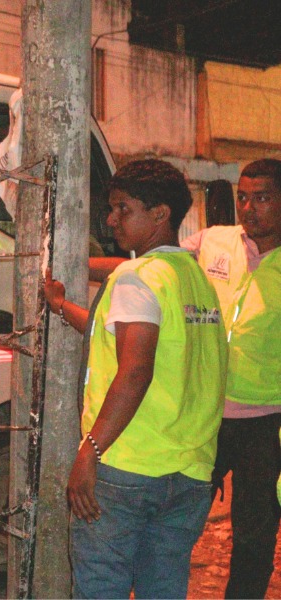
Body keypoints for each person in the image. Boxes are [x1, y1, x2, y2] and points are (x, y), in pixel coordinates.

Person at [87, 158, 281, 598]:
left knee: (254, 532)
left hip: (265, 420)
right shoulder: (215, 241)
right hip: (205, 414)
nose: (249, 208)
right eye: (243, 197)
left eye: (263, 198)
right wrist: (79, 263)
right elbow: (158, 261)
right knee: (179, 522)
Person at [45, 159, 227, 598]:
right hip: (189, 474)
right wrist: (61, 306)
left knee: (101, 587)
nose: (111, 219)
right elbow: (120, 332)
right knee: (162, 589)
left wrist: (90, 450)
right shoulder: (197, 281)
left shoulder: (137, 277)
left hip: (127, 470)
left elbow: (135, 370)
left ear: (160, 214)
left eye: (123, 209)